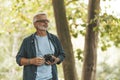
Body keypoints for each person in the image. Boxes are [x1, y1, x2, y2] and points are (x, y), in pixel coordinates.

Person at [16, 12, 65, 80]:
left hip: (51, 78)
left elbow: (62, 54)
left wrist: (56, 60)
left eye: (47, 21)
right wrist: (32, 61)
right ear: (35, 24)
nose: (46, 23)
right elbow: (18, 59)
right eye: (43, 21)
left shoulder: (54, 38)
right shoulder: (27, 41)